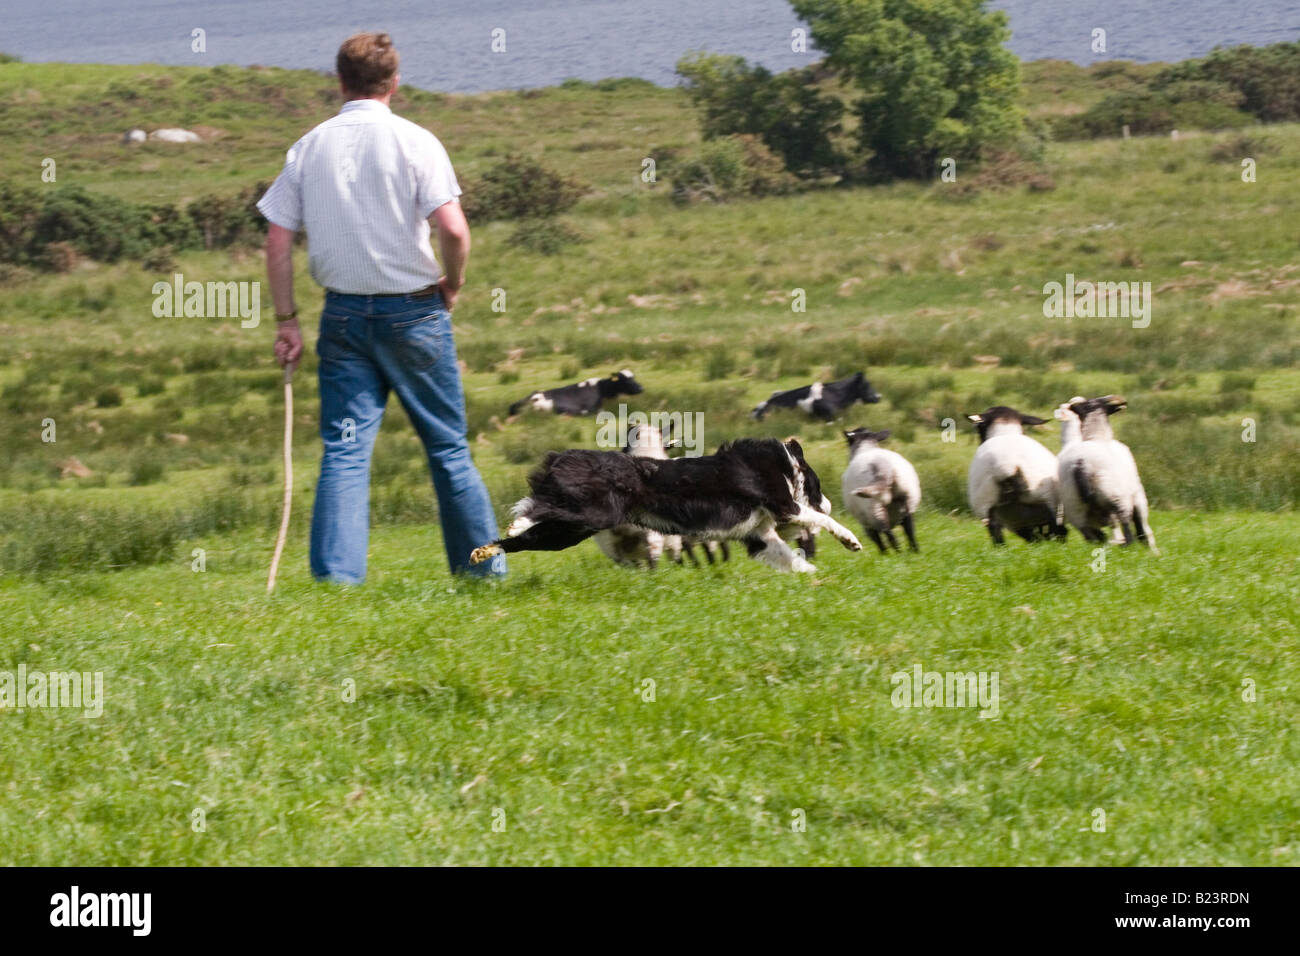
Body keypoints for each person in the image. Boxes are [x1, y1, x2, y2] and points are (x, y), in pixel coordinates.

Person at [257, 31, 505, 584]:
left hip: (341, 317)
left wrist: (286, 321)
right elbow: (454, 229)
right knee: (447, 449)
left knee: (345, 452)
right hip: (417, 313)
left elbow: (276, 241)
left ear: (340, 83)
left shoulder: (309, 145)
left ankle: (337, 584)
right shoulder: (417, 141)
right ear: (394, 83)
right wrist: (455, 284)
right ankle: (481, 576)